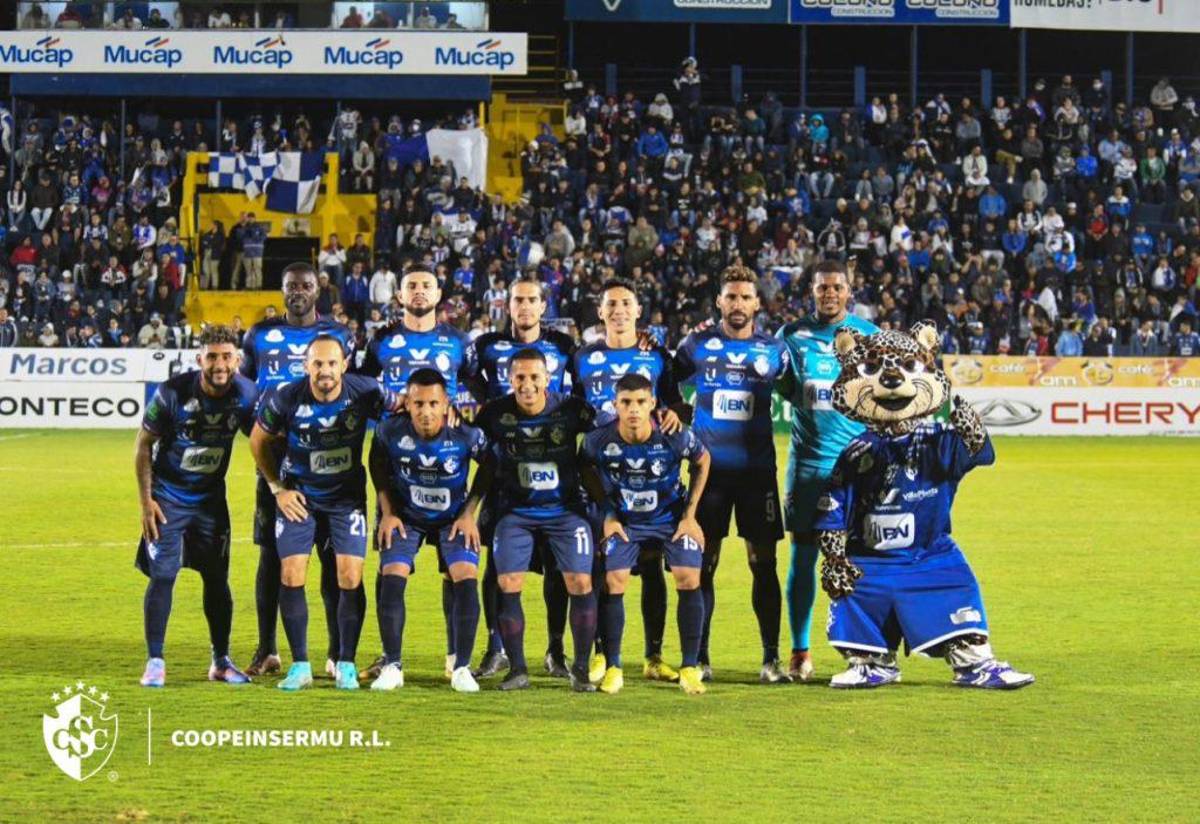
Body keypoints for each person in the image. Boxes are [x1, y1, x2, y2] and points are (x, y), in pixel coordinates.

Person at [249, 335, 398, 691]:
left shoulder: (366, 391)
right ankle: (300, 666)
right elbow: (257, 440)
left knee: (350, 575)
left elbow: (404, 408)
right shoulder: (285, 397)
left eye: (332, 363)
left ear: (344, 364)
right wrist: (278, 489)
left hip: (346, 500)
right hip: (301, 499)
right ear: (306, 366)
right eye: (317, 364)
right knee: (290, 573)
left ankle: (346, 663)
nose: (325, 370)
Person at [674, 264, 792, 683]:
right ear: (719, 302)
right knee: (703, 563)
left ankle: (771, 658)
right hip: (709, 475)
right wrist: (677, 412)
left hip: (757, 474)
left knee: (764, 564)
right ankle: (700, 656)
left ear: (757, 303)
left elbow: (798, 391)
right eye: (731, 297)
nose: (738, 304)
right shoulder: (696, 345)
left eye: (745, 297)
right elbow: (666, 381)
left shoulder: (774, 352)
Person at [239, 263, 356, 678]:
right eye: (292, 286)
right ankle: (267, 648)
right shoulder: (258, 335)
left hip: (325, 461)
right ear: (283, 289)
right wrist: (258, 436)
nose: (299, 292)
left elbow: (353, 389)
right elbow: (244, 391)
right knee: (272, 556)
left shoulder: (339, 335)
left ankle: (336, 653)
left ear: (317, 290)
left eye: (306, 285)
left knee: (331, 557)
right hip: (276, 466)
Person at [359, 268, 472, 679]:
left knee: (454, 566)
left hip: (447, 460)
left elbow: (476, 386)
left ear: (438, 294)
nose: (419, 292)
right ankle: (388, 655)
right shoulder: (382, 339)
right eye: (412, 286)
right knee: (389, 563)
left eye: (426, 286)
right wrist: (387, 408)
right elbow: (363, 385)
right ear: (400, 295)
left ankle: (456, 655)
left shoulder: (458, 341)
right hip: (398, 463)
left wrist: (461, 409)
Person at [572, 278, 685, 684]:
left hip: (648, 480)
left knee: (652, 566)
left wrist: (676, 414)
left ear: (638, 311)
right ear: (600, 312)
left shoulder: (656, 355)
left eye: (626, 304)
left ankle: (653, 656)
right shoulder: (582, 357)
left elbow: (676, 404)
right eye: (611, 304)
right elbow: (573, 408)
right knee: (600, 565)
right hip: (600, 478)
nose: (619, 310)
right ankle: (602, 654)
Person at [134, 325, 259, 687]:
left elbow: (262, 438)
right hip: (168, 499)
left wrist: (278, 484)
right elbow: (143, 445)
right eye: (212, 357)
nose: (220, 365)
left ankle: (221, 661)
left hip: (210, 502)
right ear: (199, 358)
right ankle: (155, 661)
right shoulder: (172, 393)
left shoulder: (246, 394)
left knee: (217, 578)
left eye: (227, 357)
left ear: (237, 359)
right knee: (163, 575)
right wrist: (146, 502)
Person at [465, 277, 577, 678]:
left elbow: (579, 391)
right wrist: (490, 408)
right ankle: (495, 647)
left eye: (532, 299)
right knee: (496, 565)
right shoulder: (486, 346)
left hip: (553, 470)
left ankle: (555, 649)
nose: (525, 306)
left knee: (556, 565)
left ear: (544, 305)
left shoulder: (562, 346)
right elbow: (468, 379)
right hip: (502, 470)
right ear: (507, 304)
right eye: (518, 300)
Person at [472, 349, 599, 691]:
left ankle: (581, 669)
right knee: (508, 582)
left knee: (580, 582)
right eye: (520, 377)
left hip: (565, 512)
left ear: (548, 378)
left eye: (534, 377)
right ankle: (517, 669)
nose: (527, 385)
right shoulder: (494, 414)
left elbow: (609, 431)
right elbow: (475, 453)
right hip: (516, 513)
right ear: (510, 379)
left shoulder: (571, 409)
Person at [775, 260, 878, 681]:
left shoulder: (869, 337)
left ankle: (865, 650)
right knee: (803, 555)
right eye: (822, 288)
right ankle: (800, 651)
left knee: (863, 557)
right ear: (812, 291)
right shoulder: (792, 336)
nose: (830, 293)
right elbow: (781, 387)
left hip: (858, 468)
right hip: (809, 466)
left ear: (849, 291)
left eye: (837, 287)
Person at [579, 374, 712, 695]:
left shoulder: (673, 435)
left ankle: (689, 667)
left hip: (669, 519)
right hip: (626, 522)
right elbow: (584, 466)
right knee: (614, 580)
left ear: (653, 403)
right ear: (615, 405)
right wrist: (608, 514)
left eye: (641, 402)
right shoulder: (599, 440)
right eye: (626, 403)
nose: (634, 409)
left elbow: (703, 459)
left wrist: (690, 516)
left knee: (688, 575)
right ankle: (614, 667)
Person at [367, 369, 489, 693]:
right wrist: (388, 513)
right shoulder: (390, 431)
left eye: (433, 403)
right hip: (406, 516)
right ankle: (392, 666)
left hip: (453, 518)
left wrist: (469, 514)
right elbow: (376, 462)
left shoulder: (466, 434)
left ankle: (461, 668)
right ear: (407, 403)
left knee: (465, 575)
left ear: (446, 403)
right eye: (418, 403)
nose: (426, 411)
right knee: (392, 575)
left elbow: (491, 466)